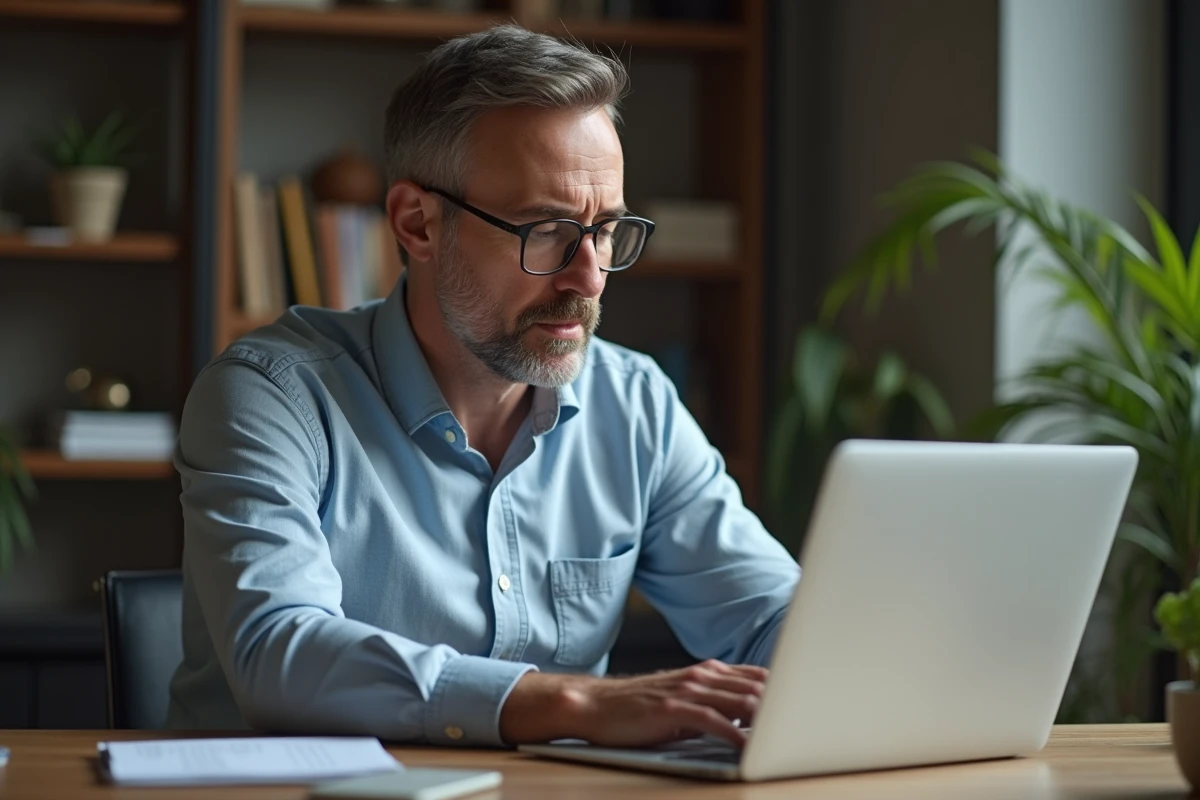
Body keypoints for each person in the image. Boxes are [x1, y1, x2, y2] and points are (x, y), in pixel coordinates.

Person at [167, 24, 800, 748]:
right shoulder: (272, 396)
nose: (589, 278)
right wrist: (573, 705)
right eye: (545, 229)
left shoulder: (635, 406)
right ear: (417, 224)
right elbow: (278, 653)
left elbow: (768, 614)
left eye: (605, 230)